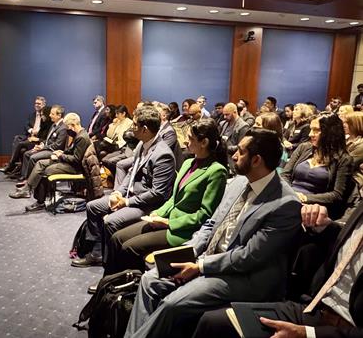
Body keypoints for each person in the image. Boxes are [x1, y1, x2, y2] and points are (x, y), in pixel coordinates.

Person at [124, 129, 302, 338]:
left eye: (241, 152)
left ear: (256, 160)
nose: (234, 155)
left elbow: (248, 257)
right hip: (209, 256)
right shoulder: (238, 182)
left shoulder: (285, 204)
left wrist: (199, 266)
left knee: (173, 303)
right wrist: (187, 250)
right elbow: (211, 224)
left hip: (245, 277)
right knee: (149, 280)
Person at [192, 202, 363, 338]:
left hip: (348, 326)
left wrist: (308, 333)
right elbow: (348, 246)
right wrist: (324, 226)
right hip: (319, 307)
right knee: (213, 322)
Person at [104, 118, 228, 277]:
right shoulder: (188, 162)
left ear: (204, 142)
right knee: (117, 237)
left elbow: (205, 215)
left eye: (190, 138)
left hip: (181, 230)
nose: (185, 142)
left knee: (129, 247)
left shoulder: (216, 171)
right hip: (165, 220)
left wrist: (169, 223)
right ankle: (109, 283)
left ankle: (124, 285)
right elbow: (173, 199)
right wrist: (158, 214)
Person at [70, 105, 176, 268]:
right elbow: (131, 174)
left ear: (145, 129)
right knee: (92, 207)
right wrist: (117, 193)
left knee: (111, 221)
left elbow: (158, 194)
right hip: (130, 197)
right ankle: (97, 253)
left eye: (134, 125)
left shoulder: (163, 155)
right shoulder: (142, 144)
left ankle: (112, 266)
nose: (131, 128)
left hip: (147, 205)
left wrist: (126, 203)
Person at [9, 113, 91, 210]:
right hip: (69, 163)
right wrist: (62, 152)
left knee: (44, 171)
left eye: (68, 126)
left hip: (75, 168)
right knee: (40, 163)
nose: (67, 129)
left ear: (72, 125)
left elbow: (76, 160)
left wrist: (61, 155)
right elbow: (72, 152)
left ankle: (39, 201)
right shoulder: (79, 135)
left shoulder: (82, 137)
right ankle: (28, 189)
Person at [281, 113, 353, 220]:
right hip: (288, 196)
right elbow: (285, 174)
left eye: (316, 130)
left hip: (312, 208)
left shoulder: (343, 159)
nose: (310, 134)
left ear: (331, 132)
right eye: (311, 129)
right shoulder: (304, 148)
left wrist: (305, 197)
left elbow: (337, 195)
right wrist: (291, 193)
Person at [14, 105, 68, 188]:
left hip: (54, 152)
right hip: (48, 148)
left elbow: (57, 145)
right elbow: (48, 140)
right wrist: (41, 145)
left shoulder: (63, 128)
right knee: (27, 153)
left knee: (33, 157)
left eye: (52, 114)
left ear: (59, 115)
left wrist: (42, 147)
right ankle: (26, 178)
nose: (49, 115)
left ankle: (30, 183)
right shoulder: (54, 125)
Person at [0, 96, 51, 175]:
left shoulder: (46, 118)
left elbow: (44, 133)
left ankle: (12, 166)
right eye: (35, 103)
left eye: (39, 103)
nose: (36, 105)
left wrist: (37, 136)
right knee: (17, 138)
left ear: (44, 104)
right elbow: (26, 125)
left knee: (21, 148)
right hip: (30, 135)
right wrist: (31, 130)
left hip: (38, 139)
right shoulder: (32, 115)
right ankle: (15, 166)